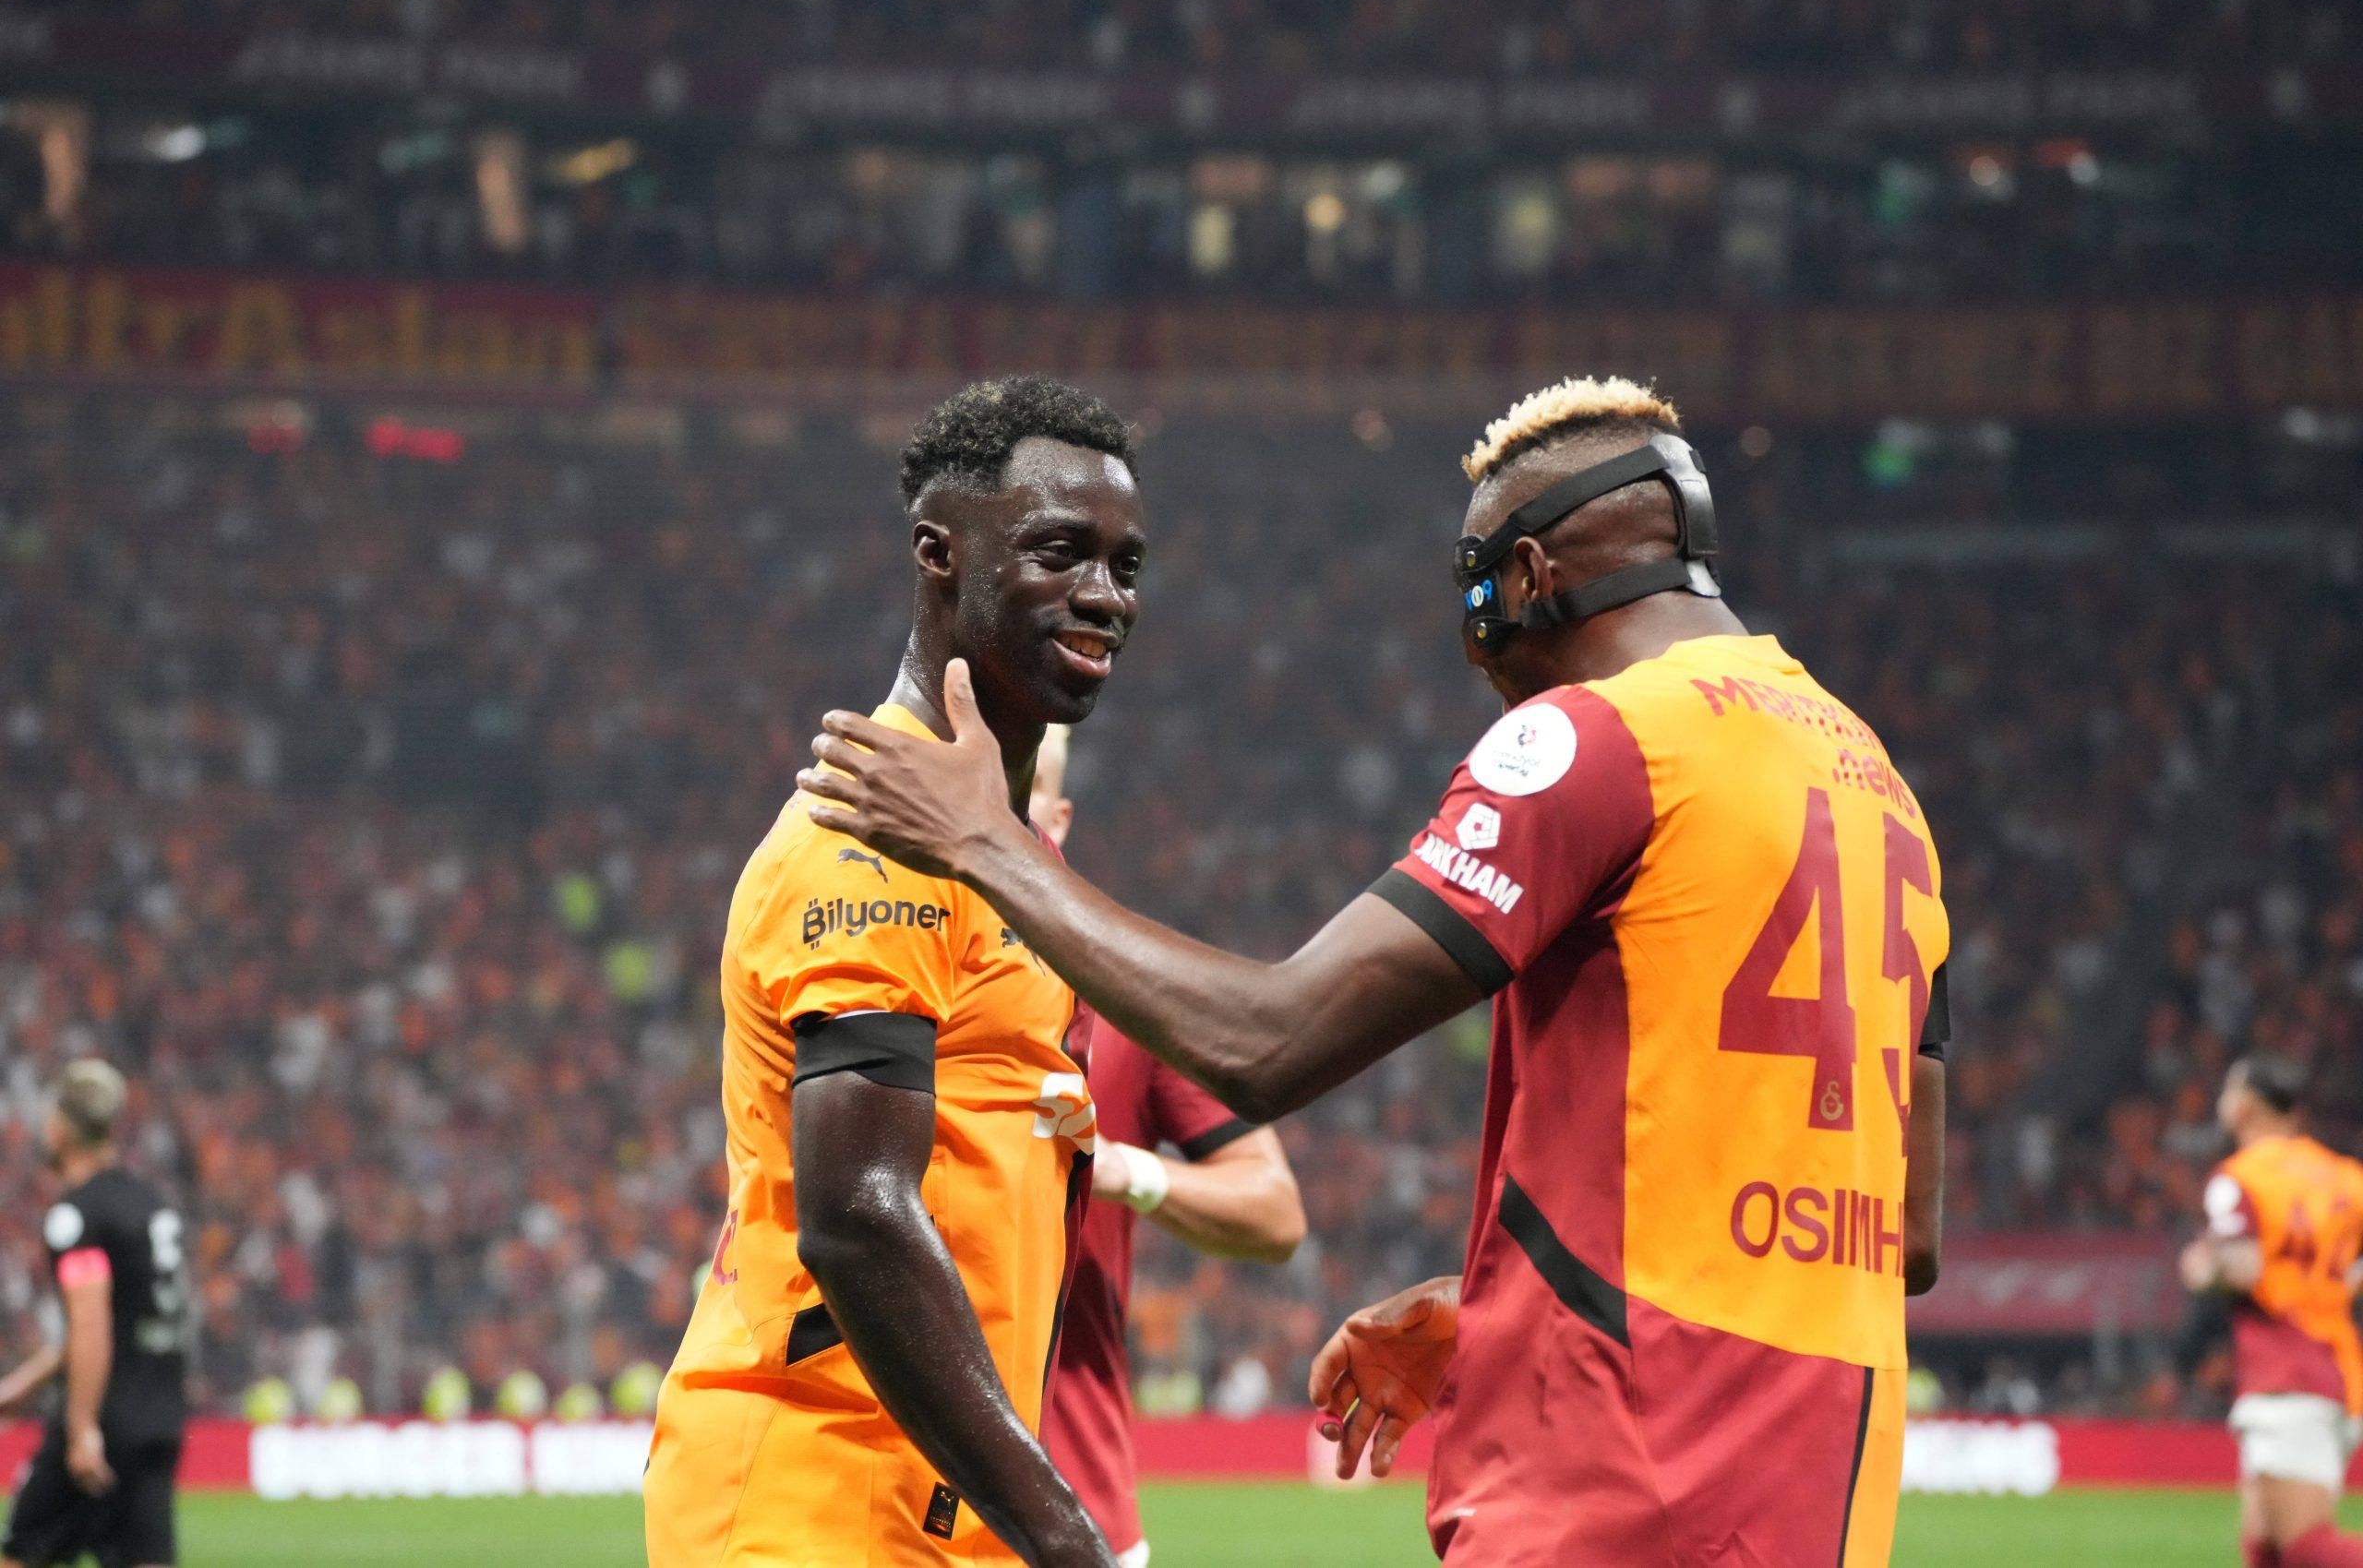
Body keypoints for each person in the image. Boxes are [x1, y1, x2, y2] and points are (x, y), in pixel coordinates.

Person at [797, 376, 1952, 1567]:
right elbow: (1902, 1232)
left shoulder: (1599, 739)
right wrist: (1508, 1307)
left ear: (1530, 580)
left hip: (1610, 1482)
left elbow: (1270, 1040)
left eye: (1473, 588)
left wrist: (983, 835)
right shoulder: (1880, 794)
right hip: (1820, 1487)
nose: (1473, 643)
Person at [642, 377, 1146, 1568]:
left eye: (1127, 564)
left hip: (934, 1498)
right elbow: (859, 1216)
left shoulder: (992, 851)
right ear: (939, 554)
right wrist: (1068, 1532)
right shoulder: (875, 835)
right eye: (1058, 551)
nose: (1106, 594)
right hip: (810, 1497)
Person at [1027, 725, 1307, 1568]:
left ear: (1060, 815)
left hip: (1079, 1512)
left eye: (1023, 777)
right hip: (880, 1505)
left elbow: (1274, 1209)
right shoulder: (873, 978)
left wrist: (1125, 1171)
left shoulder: (1123, 993)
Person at [0, 1059, 190, 1568]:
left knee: (19, 1555)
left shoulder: (76, 1216)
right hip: (158, 1422)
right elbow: (122, 1320)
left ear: (60, 1129)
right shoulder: (151, 1206)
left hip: (104, 1421)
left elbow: (90, 1321)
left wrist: (82, 1426)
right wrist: (28, 1383)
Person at [2181, 1054, 2363, 1568]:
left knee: (2307, 1548)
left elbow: (2241, 1268)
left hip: (2286, 1374)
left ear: (2245, 1106)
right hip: (2338, 1370)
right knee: (2264, 1547)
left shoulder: (2239, 1179)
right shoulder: (2344, 1174)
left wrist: (2201, 1266)